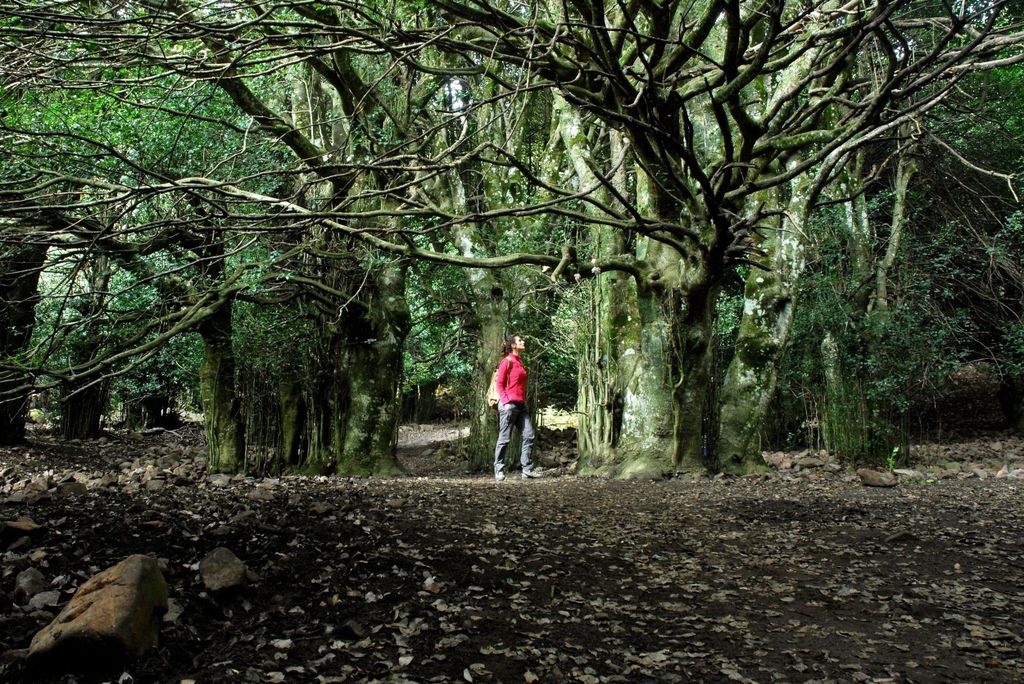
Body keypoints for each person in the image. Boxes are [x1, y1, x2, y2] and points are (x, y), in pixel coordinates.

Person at [493, 334, 542, 481]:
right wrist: (506, 403)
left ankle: (527, 469)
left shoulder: (519, 362)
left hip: (521, 405)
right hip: (509, 406)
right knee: (504, 438)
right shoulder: (506, 362)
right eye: (520, 340)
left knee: (529, 435)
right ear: (513, 345)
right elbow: (499, 384)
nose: (523, 342)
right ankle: (499, 470)